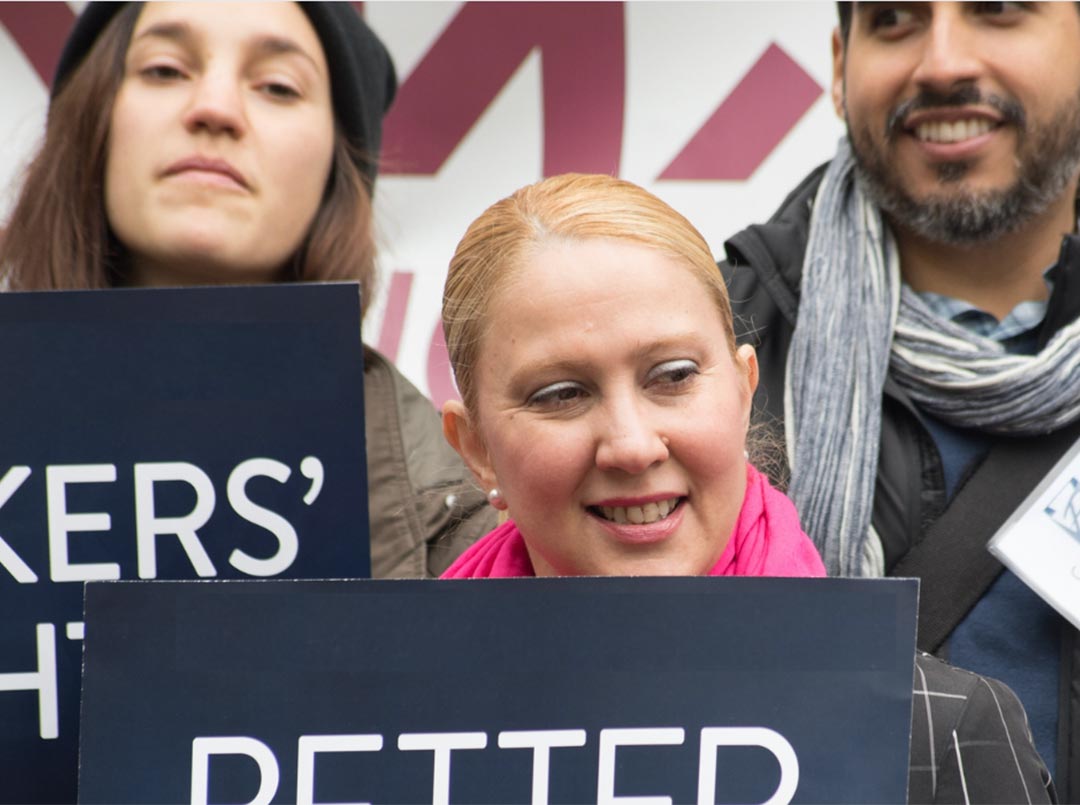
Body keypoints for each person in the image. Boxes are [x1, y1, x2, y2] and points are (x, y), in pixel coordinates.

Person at [437, 172, 1055, 803]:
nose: (632, 445)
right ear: (477, 447)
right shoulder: (373, 725)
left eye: (673, 376)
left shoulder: (935, 734)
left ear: (741, 390)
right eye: (561, 394)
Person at [719, 2, 1080, 795]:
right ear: (840, 64)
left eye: (997, 11)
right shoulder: (703, 361)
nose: (943, 63)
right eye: (895, 20)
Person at [0, 1, 495, 577]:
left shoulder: (455, 510)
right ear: (88, 122)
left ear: (339, 168)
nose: (214, 108)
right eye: (164, 69)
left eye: (278, 86)